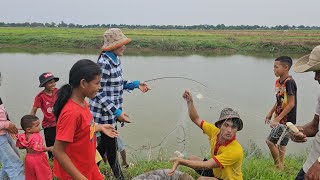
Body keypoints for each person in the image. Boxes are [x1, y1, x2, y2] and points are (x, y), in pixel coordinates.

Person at [90, 28, 150, 179]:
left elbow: (116, 84)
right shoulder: (104, 63)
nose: (124, 46)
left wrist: (135, 84)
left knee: (104, 146)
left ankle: (88, 171)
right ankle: (117, 176)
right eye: (121, 44)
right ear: (112, 46)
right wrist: (117, 113)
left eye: (124, 43)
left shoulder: (115, 60)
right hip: (102, 114)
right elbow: (97, 91)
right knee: (110, 147)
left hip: (111, 113)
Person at [52, 59, 119, 180]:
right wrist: (80, 178)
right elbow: (58, 151)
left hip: (88, 166)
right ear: (83, 83)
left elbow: (82, 128)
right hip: (74, 173)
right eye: (97, 83)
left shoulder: (83, 103)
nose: (99, 87)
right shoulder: (71, 113)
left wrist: (99, 127)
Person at [168, 90, 244, 180]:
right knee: (192, 158)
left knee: (201, 179)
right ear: (219, 125)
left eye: (233, 127)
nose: (229, 130)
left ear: (237, 129)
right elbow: (196, 119)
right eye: (226, 125)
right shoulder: (214, 131)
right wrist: (190, 102)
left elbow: (207, 165)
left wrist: (181, 161)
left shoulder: (235, 150)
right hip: (216, 171)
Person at [290, 45, 320, 180]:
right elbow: (315, 126)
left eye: (319, 72)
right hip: (310, 166)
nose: (316, 78)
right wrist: (299, 131)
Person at [265, 56, 297, 170]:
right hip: (279, 117)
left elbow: (291, 103)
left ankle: (278, 166)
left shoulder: (290, 83)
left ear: (286, 67)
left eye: (276, 67)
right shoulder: (278, 82)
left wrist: (278, 119)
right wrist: (270, 113)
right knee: (282, 144)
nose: (273, 69)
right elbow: (279, 100)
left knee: (270, 141)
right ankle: (281, 167)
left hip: (287, 119)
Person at [30, 72, 59, 159]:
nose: (53, 84)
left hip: (60, 123)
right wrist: (30, 125)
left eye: (54, 81)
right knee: (51, 146)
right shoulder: (40, 96)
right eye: (50, 82)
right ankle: (52, 162)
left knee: (62, 144)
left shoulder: (59, 92)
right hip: (48, 126)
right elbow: (34, 110)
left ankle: (62, 162)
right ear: (44, 85)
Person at [16, 115, 52, 180]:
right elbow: (39, 148)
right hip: (39, 158)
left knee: (31, 175)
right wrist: (49, 148)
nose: (39, 127)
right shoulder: (35, 136)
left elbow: (21, 147)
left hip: (28, 158)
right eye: (37, 126)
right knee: (43, 174)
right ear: (28, 129)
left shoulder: (24, 136)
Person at [0, 97, 25, 180]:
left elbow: (3, 116)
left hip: (4, 134)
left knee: (9, 164)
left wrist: (10, 126)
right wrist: (7, 125)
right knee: (15, 166)